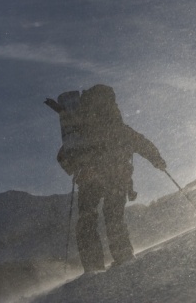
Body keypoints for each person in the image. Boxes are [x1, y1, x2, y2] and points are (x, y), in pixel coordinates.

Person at [71, 84, 166, 273]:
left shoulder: (82, 132)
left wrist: (77, 168)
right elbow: (142, 144)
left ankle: (92, 267)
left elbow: (64, 155)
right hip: (117, 178)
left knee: (87, 219)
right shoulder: (120, 129)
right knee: (113, 217)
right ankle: (123, 257)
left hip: (91, 180)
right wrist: (157, 160)